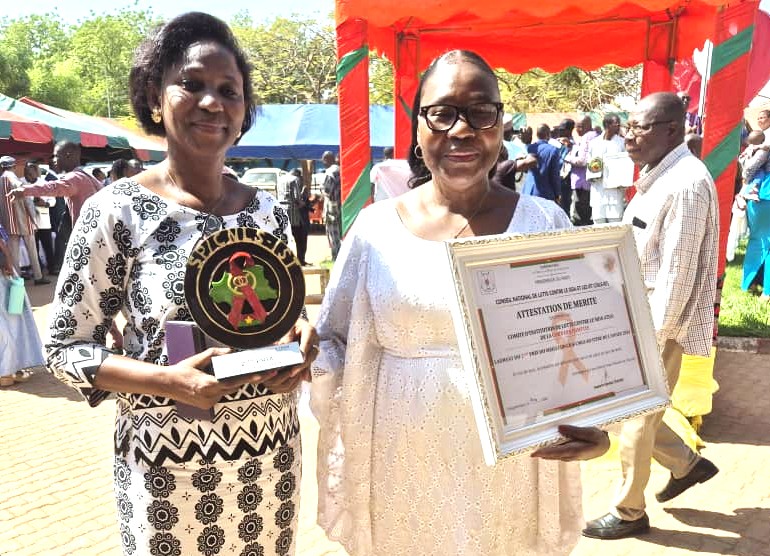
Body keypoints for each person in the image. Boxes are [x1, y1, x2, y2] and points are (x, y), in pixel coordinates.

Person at [311, 49, 609, 556]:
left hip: (510, 460)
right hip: (403, 455)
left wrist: (598, 423)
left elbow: (586, 343)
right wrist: (301, 357)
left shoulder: (544, 224)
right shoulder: (376, 229)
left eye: (480, 112)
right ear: (418, 126)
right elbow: (332, 338)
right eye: (442, 113)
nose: (463, 130)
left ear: (501, 124)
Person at [45, 12, 317, 556]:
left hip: (269, 461)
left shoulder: (267, 211)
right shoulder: (117, 211)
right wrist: (168, 382)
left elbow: (282, 314)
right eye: (191, 84)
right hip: (167, 471)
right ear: (155, 97)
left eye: (228, 90)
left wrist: (302, 338)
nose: (212, 103)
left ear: (244, 110)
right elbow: (63, 349)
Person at [583, 92, 719, 540]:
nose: (629, 135)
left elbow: (678, 273)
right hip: (636, 316)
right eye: (628, 126)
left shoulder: (686, 184)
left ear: (671, 130)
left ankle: (628, 511)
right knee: (628, 407)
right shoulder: (660, 177)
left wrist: (652, 338)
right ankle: (686, 464)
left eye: (639, 127)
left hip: (659, 323)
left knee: (638, 415)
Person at [8, 141, 101, 227]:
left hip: (86, 230)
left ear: (68, 155)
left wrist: (24, 191)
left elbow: (53, 187)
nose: (53, 160)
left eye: (56, 156)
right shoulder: (87, 176)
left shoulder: (74, 178)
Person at [0, 221, 44, 387]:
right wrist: (9, 263)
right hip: (2, 276)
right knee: (11, 322)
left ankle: (9, 369)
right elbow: (2, 243)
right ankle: (7, 370)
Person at [1, 156, 49, 285]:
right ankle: (38, 277)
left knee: (13, 254)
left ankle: (17, 280)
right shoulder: (14, 179)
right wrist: (34, 219)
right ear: (14, 166)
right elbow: (27, 199)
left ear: (1, 167)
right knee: (32, 250)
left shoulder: (0, 180)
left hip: (8, 223)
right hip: (24, 221)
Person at [587, 113, 627, 223]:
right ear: (607, 125)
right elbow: (589, 164)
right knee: (599, 224)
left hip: (615, 191)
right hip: (598, 190)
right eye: (616, 124)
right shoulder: (594, 143)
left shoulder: (622, 143)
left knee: (616, 223)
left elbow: (626, 165)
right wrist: (594, 174)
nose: (619, 127)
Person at [565, 116, 599, 225]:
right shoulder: (596, 135)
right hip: (591, 182)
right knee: (587, 215)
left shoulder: (587, 137)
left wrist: (566, 157)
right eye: (576, 127)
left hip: (582, 183)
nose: (577, 130)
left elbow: (582, 161)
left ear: (587, 125)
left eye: (579, 126)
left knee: (578, 218)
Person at [23, 161, 56, 275]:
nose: (29, 176)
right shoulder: (21, 183)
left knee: (48, 246)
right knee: (34, 248)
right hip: (29, 221)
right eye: (27, 173)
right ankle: (39, 269)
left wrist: (45, 203)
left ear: (36, 172)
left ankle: (52, 268)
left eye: (31, 173)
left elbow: (53, 201)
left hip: (43, 221)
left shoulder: (44, 184)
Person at [521, 124, 561, 202]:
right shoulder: (553, 150)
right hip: (544, 194)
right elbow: (554, 175)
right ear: (548, 135)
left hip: (528, 190)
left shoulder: (529, 148)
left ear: (537, 135)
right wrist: (557, 193)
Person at [284, 168, 310, 265]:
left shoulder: (281, 180)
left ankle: (285, 261)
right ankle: (301, 260)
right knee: (301, 239)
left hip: (284, 215)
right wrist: (304, 201)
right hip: (295, 216)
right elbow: (297, 199)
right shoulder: (295, 180)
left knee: (285, 239)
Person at [321, 150, 341, 259]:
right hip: (340, 205)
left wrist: (321, 190)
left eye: (323, 159)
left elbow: (327, 191)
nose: (322, 162)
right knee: (339, 232)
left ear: (328, 159)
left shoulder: (330, 172)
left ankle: (336, 256)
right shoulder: (339, 169)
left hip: (332, 208)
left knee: (333, 233)